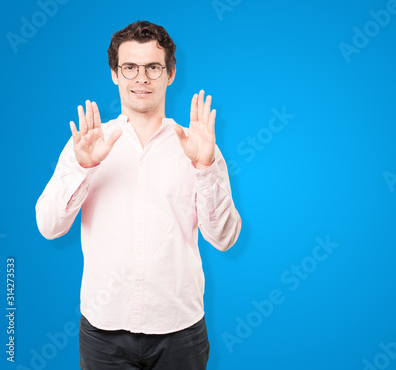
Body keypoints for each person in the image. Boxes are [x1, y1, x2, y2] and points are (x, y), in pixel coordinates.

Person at [35, 20, 242, 369]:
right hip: (103, 333)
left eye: (152, 67)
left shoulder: (198, 147)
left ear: (170, 73)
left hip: (180, 332)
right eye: (129, 67)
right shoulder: (88, 143)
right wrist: (83, 169)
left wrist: (204, 168)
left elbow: (224, 238)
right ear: (115, 74)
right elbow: (48, 226)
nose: (141, 78)